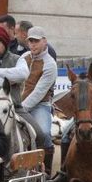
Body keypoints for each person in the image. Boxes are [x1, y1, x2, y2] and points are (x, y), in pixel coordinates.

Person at [19, 26, 58, 162]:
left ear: (44, 41)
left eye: (36, 41)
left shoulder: (50, 64)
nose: (33, 44)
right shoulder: (23, 57)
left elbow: (39, 92)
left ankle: (46, 172)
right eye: (31, 41)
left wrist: (20, 109)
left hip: (40, 105)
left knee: (44, 133)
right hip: (19, 103)